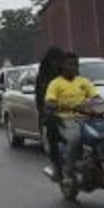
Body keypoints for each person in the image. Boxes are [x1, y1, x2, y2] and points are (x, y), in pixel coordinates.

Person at [43, 51, 99, 188]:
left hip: (86, 118)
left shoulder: (83, 81)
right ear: (62, 66)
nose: (74, 67)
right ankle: (68, 172)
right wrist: (65, 105)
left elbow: (96, 97)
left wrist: (99, 104)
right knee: (75, 139)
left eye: (76, 64)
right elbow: (49, 102)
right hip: (66, 120)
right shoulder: (55, 83)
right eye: (70, 64)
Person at [33, 46, 66, 179]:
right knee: (52, 132)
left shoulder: (69, 74)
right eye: (54, 61)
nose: (56, 63)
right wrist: (45, 112)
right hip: (52, 113)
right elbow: (40, 98)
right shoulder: (43, 77)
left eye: (59, 60)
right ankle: (57, 166)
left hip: (73, 111)